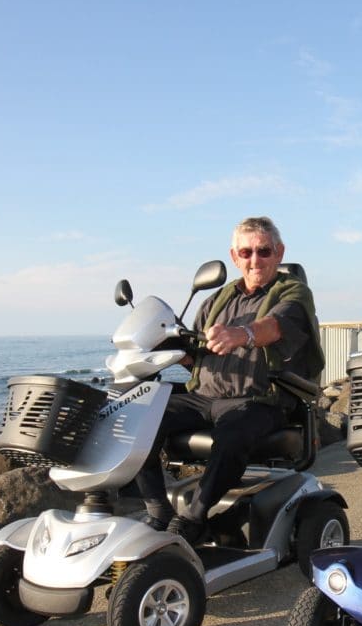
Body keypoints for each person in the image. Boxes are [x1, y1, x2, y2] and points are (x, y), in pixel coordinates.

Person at [134, 216, 325, 544]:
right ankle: (158, 509)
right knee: (137, 415)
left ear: (279, 253)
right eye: (246, 252)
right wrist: (166, 347)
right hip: (204, 396)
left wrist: (242, 334)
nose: (255, 260)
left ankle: (194, 518)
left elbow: (275, 327)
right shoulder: (216, 300)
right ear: (234, 257)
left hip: (260, 398)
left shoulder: (293, 292)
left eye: (263, 251)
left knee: (234, 430)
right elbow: (195, 353)